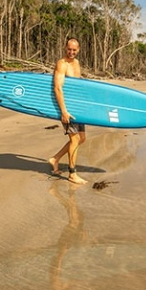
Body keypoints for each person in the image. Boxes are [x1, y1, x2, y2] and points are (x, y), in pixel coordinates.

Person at [48, 38, 88, 185]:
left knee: (81, 138)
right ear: (65, 48)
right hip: (67, 108)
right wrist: (63, 111)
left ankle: (55, 159)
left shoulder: (76, 63)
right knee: (75, 139)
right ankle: (72, 173)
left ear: (78, 49)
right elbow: (57, 88)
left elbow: (76, 86)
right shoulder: (62, 64)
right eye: (69, 49)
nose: (71, 52)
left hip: (77, 107)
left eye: (74, 50)